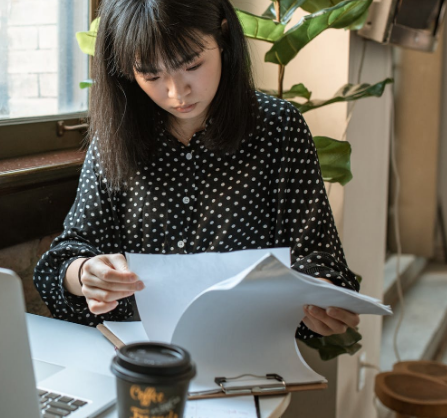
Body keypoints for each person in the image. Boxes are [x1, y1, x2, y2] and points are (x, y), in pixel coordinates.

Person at [33, 0, 361, 340]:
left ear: (222, 35)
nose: (177, 92)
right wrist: (86, 273)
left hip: (248, 355)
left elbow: (317, 256)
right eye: (152, 75)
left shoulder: (278, 128)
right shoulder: (117, 136)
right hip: (141, 356)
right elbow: (66, 257)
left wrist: (321, 296)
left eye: (191, 64)